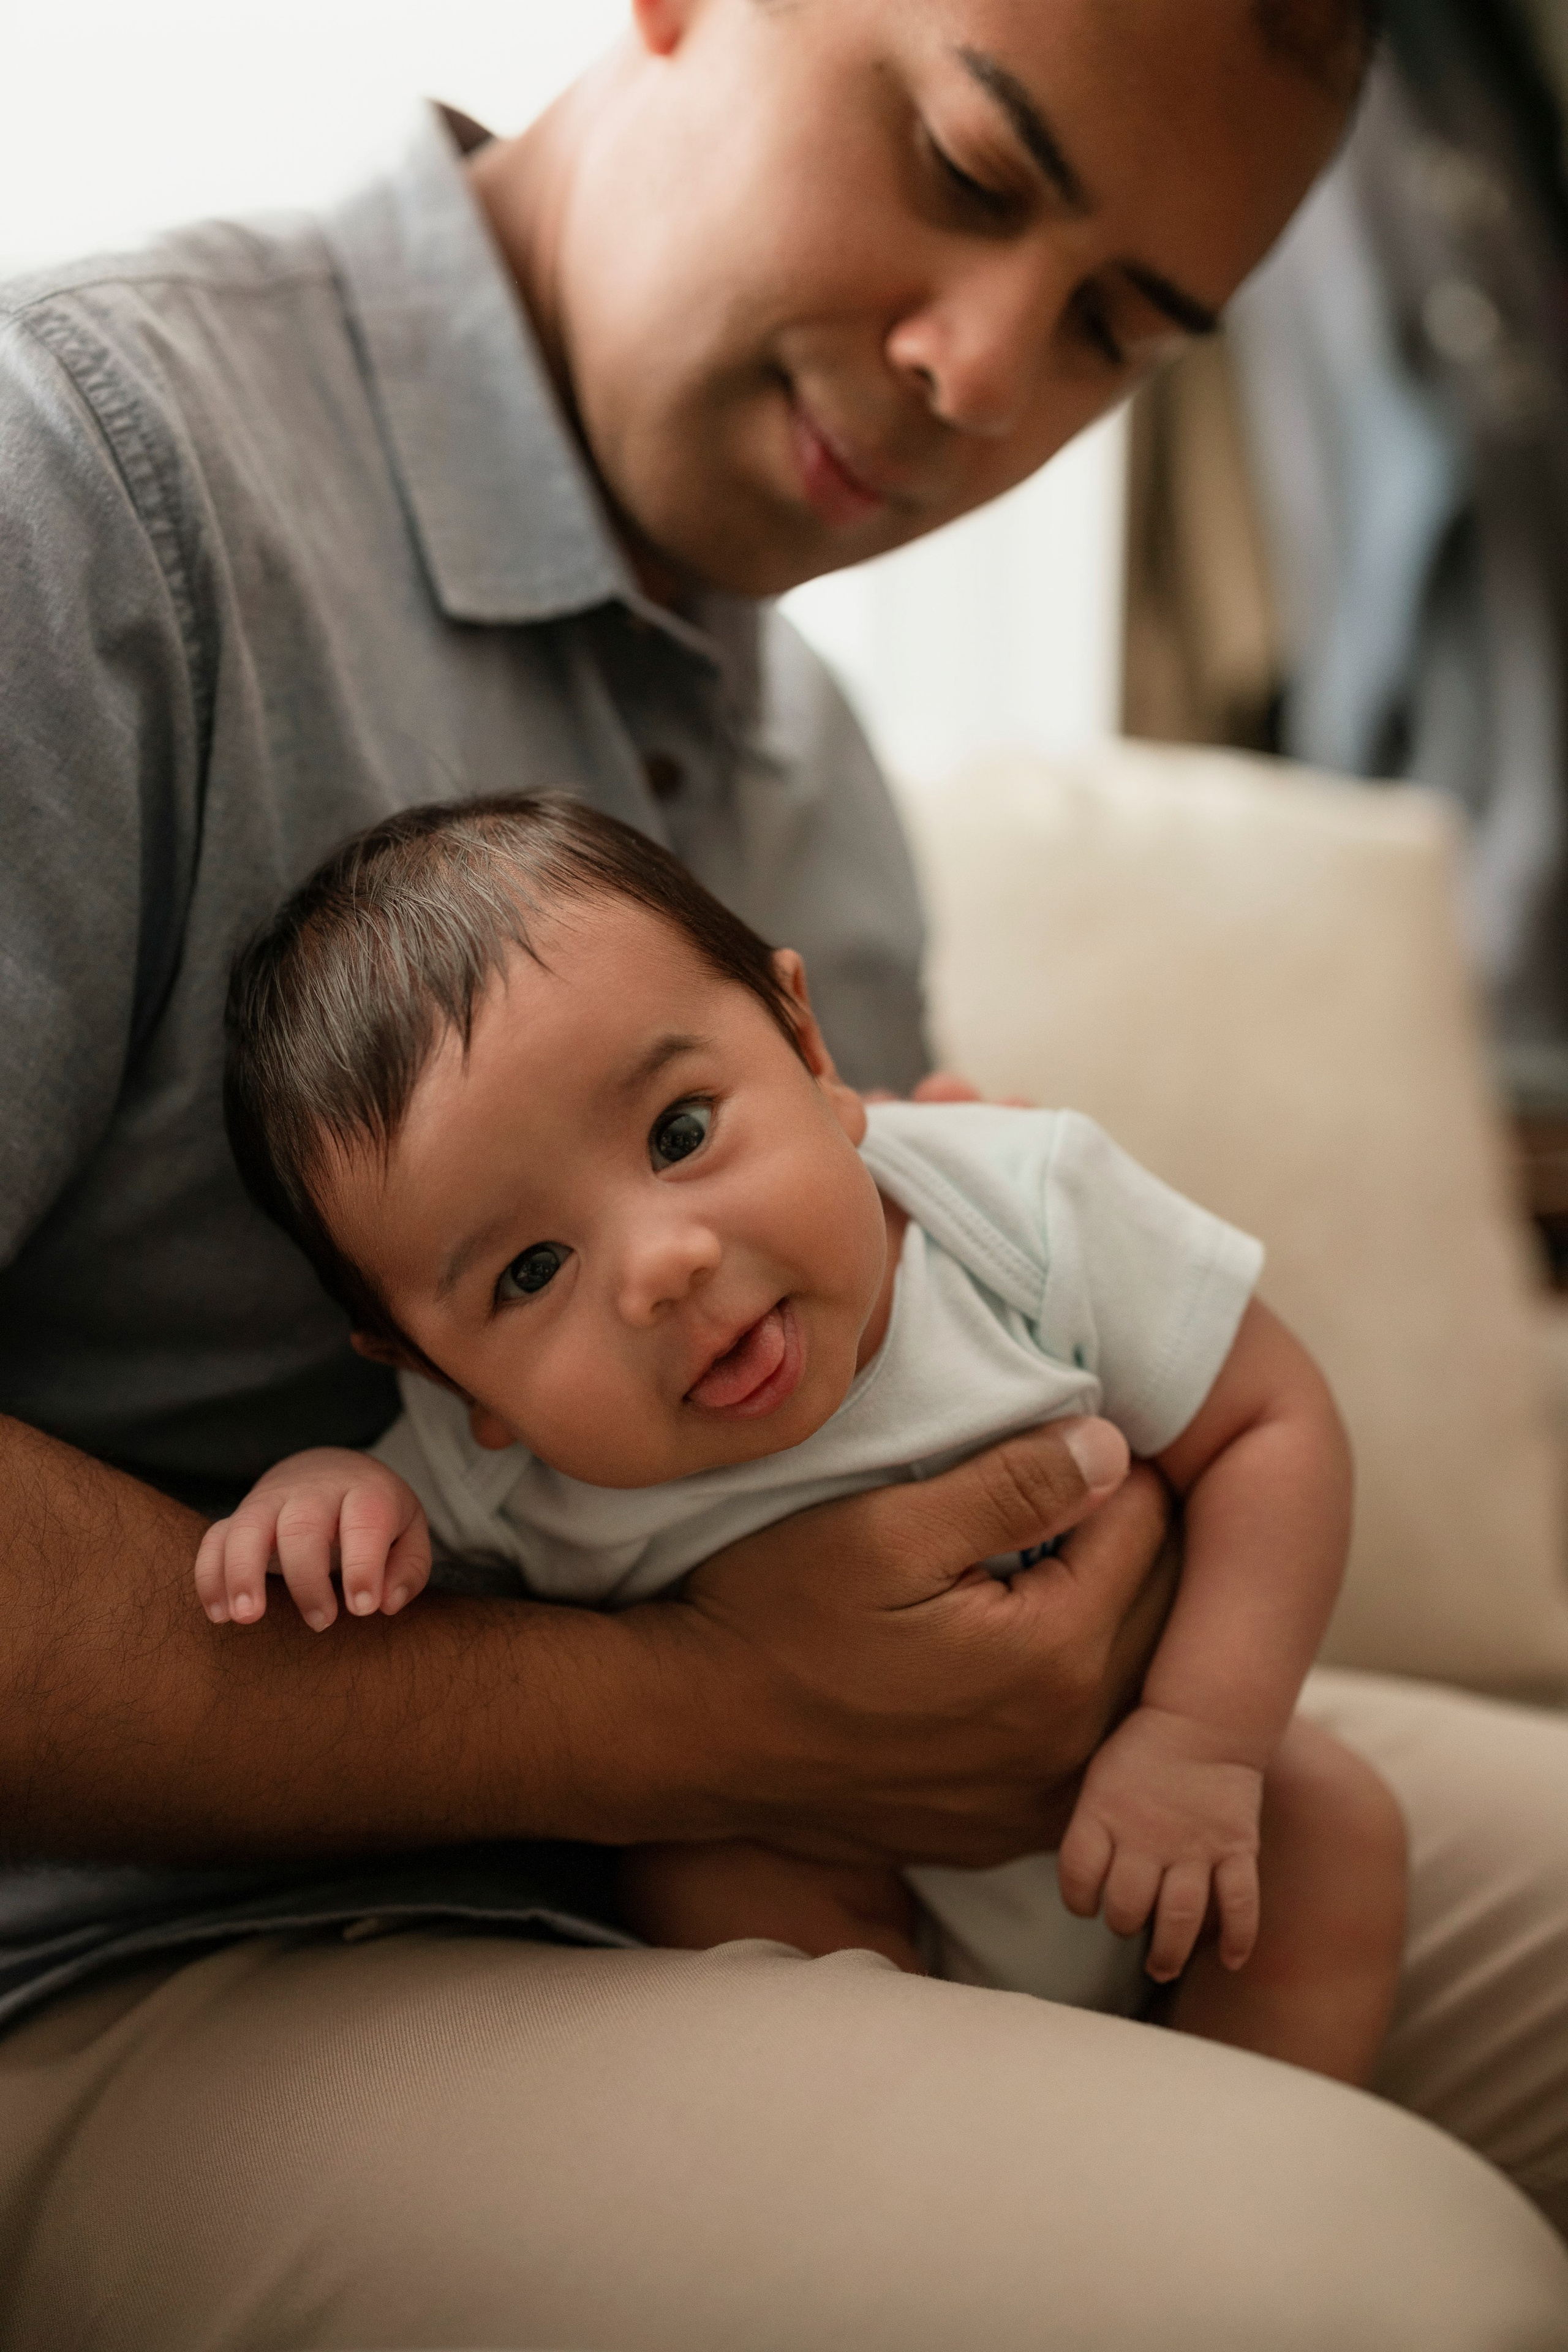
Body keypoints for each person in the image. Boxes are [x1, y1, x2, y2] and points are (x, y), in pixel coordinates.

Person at [1, 2, 1566, 2345]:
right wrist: (718, 1721)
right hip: (171, 1952)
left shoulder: (808, 763)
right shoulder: (91, 496)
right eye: (959, 162)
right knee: (1376, 2282)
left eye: (1121, 329)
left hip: (997, 1819)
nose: (986, 373)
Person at [199, 791, 1405, 2081]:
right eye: (531, 1269)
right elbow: (389, 1547)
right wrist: (328, 1496)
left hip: (1151, 1800)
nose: (662, 1266)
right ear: (441, 1374)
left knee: (1330, 1823)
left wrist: (1198, 1741)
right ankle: (940, 2147)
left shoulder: (1016, 1209)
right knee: (702, 1873)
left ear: (806, 1046)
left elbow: (1269, 1425)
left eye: (679, 1133)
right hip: (847, 1902)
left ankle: (1247, 2134)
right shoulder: (503, 1459)